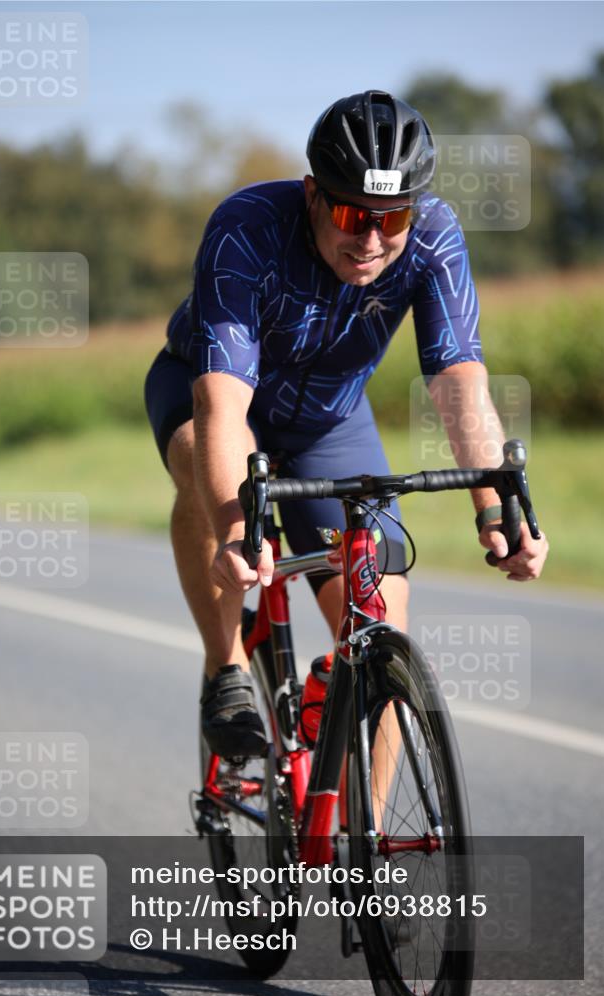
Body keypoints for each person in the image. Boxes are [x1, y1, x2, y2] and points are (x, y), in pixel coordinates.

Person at [145, 90, 549, 759]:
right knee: (196, 455)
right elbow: (220, 405)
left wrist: (494, 508)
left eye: (391, 220)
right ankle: (225, 671)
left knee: (387, 635)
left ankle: (367, 861)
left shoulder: (433, 237)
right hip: (214, 397)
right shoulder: (248, 226)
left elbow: (456, 380)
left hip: (326, 422)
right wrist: (238, 532)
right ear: (311, 193)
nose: (369, 240)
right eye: (349, 213)